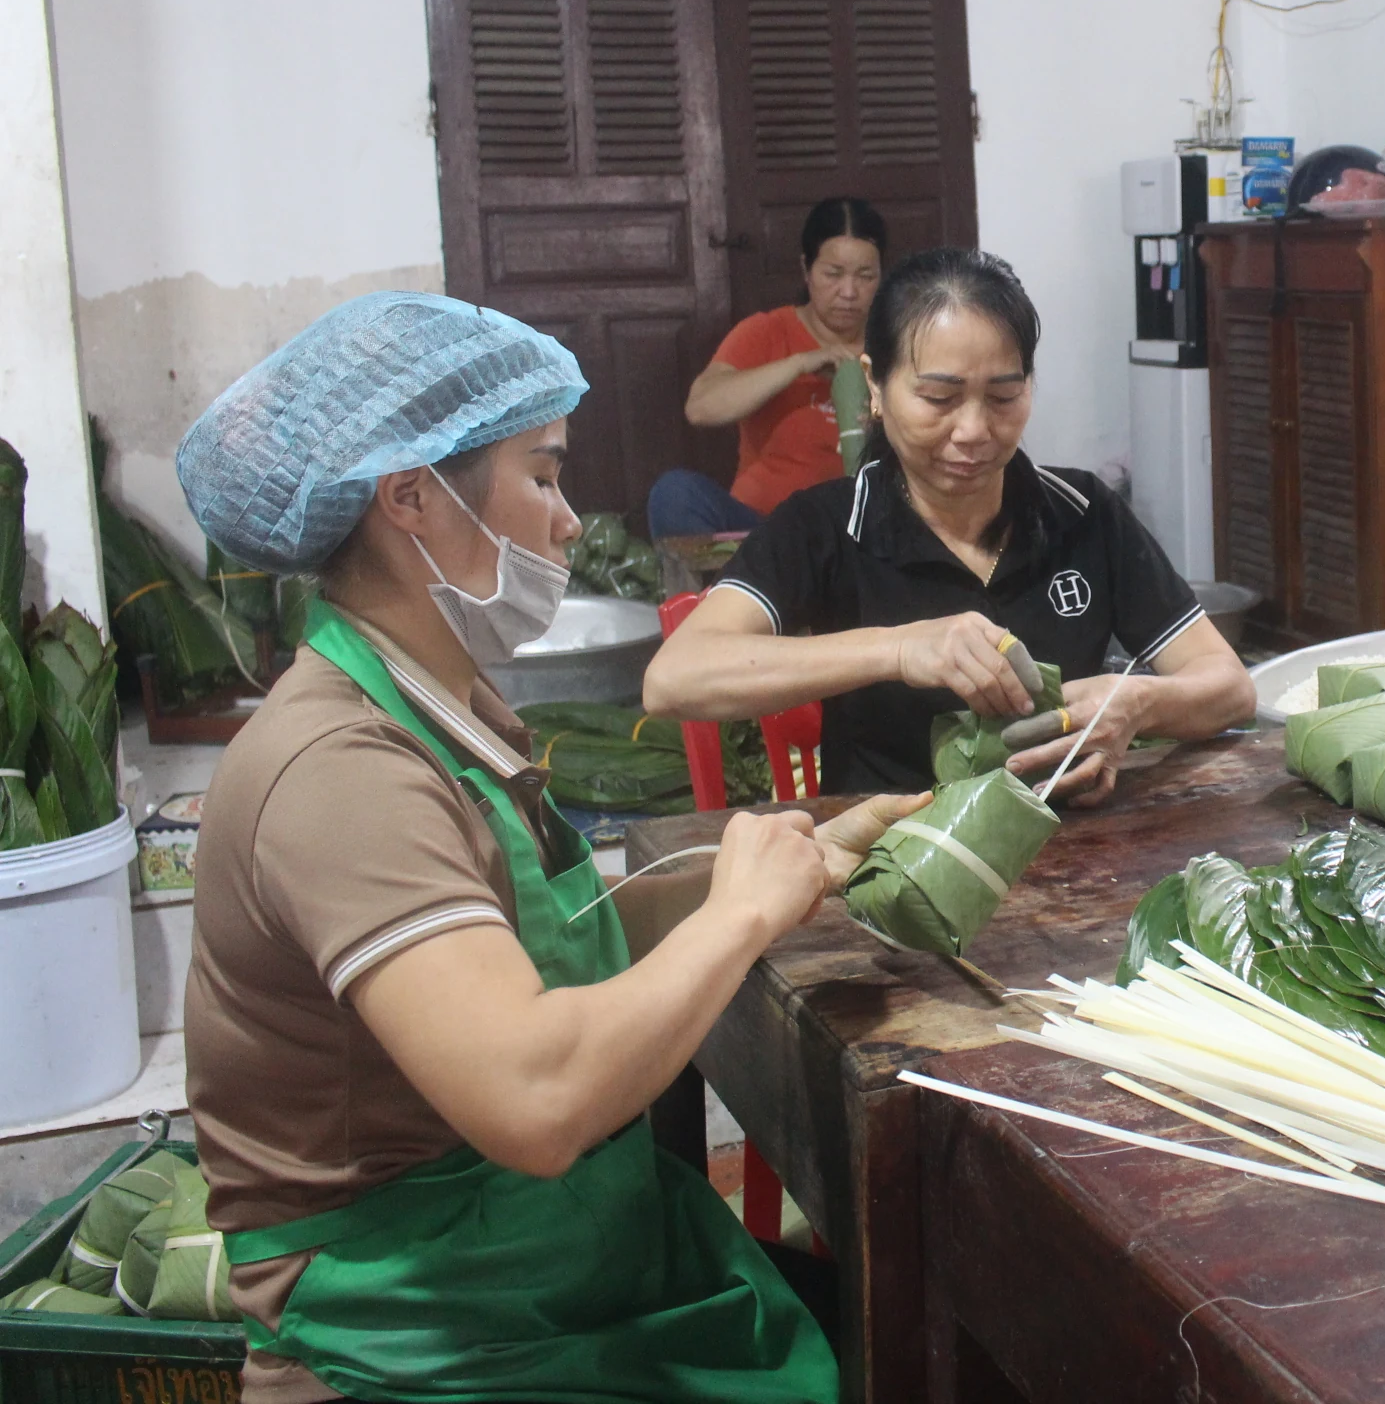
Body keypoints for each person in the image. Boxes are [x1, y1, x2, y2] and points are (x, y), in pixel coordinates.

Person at [175, 292, 927, 1403]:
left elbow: (540, 947)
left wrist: (789, 856)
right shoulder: (340, 769)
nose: (572, 519)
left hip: (529, 1259)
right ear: (412, 498)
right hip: (414, 1327)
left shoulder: (439, 707)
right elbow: (532, 1098)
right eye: (542, 475)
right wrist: (740, 916)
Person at [646, 246, 1257, 805]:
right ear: (876, 389)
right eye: (938, 399)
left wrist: (1139, 704)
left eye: (1002, 397)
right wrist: (901, 647)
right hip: (891, 864)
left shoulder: (1081, 512)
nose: (973, 430)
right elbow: (675, 679)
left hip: (1073, 854)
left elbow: (1230, 687)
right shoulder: (827, 525)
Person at [648, 197, 887, 538]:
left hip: (851, 530)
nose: (849, 292)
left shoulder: (896, 344)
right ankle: (735, 588)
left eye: (865, 276)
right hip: (761, 529)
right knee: (676, 494)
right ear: (806, 270)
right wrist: (799, 363)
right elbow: (701, 408)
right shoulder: (767, 332)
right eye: (833, 274)